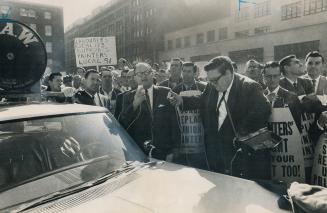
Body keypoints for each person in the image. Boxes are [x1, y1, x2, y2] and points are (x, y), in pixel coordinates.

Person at [170, 56, 271, 179]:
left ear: (228, 72)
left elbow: (264, 109)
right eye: (210, 80)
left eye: (215, 80)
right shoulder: (213, 85)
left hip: (240, 155)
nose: (212, 84)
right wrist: (182, 100)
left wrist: (241, 131)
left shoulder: (249, 87)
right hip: (215, 153)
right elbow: (202, 100)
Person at [119, 63, 179, 161]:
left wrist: (173, 151)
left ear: (153, 74)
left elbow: (174, 123)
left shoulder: (165, 92)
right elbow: (122, 123)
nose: (144, 76)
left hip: (163, 152)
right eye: (140, 74)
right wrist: (135, 104)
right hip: (139, 152)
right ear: (135, 77)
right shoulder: (128, 97)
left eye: (147, 72)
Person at [172, 62, 208, 169]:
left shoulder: (203, 88)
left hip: (200, 138)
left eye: (189, 71)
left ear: (195, 73)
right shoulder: (175, 90)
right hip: (182, 139)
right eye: (184, 71)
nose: (186, 74)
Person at [262, 61, 303, 132]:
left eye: (275, 76)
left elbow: (297, 126)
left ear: (280, 76)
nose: (272, 79)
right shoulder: (259, 96)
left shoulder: (292, 97)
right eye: (269, 76)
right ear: (263, 77)